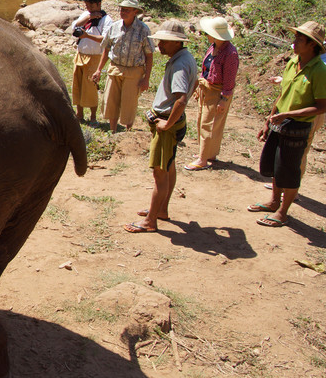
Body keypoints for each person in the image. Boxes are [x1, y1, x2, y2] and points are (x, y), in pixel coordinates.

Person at [248, 21, 326, 228]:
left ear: (312, 45)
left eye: (300, 39)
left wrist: (289, 114)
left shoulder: (319, 71)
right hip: (280, 120)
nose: (295, 41)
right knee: (276, 164)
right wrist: (270, 117)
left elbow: (321, 106)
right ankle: (274, 201)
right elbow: (283, 93)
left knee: (289, 169)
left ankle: (283, 212)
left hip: (298, 125)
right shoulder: (293, 62)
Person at [124, 20, 197, 233]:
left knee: (160, 173)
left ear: (176, 43)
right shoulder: (184, 58)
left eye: (164, 41)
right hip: (171, 122)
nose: (160, 45)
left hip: (167, 124)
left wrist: (167, 124)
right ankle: (161, 210)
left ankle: (150, 221)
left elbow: (181, 99)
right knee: (169, 166)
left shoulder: (179, 65)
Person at [91, 0, 155, 133]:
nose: (123, 12)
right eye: (121, 9)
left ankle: (128, 131)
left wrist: (146, 78)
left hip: (134, 70)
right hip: (115, 67)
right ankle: (113, 131)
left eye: (126, 10)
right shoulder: (114, 27)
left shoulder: (143, 30)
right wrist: (98, 70)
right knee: (111, 101)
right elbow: (107, 48)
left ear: (135, 12)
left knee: (129, 103)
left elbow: (149, 55)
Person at [185, 16, 239, 170]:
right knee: (203, 120)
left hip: (217, 92)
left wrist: (224, 99)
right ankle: (208, 153)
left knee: (209, 124)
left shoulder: (230, 54)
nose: (206, 35)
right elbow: (206, 69)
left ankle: (203, 159)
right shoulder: (213, 47)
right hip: (207, 89)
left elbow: (229, 80)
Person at [69, 0, 112, 123]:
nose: (89, 9)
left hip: (94, 57)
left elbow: (105, 39)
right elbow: (74, 27)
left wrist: (87, 36)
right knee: (77, 85)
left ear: (99, 4)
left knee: (91, 87)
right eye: (87, 6)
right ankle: (79, 114)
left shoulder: (107, 20)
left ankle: (93, 117)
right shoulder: (86, 15)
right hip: (80, 55)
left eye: (92, 6)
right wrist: (88, 18)